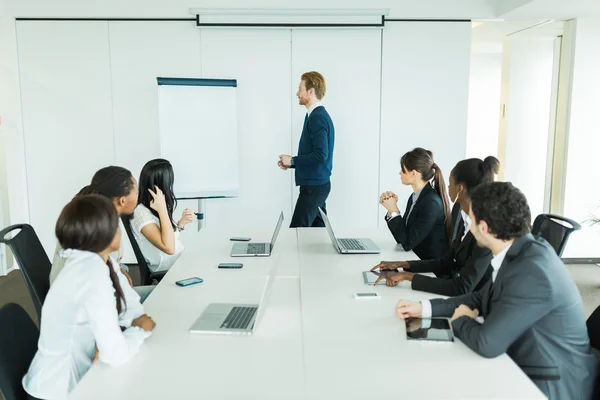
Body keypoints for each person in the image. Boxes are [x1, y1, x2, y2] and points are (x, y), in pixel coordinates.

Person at [394, 182, 598, 400]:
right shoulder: (521, 249)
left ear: (483, 228)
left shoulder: (532, 272)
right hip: (524, 363)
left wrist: (460, 319)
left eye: (471, 221)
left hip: (548, 385)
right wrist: (424, 308)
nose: (469, 228)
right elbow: (481, 298)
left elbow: (487, 343)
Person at [23, 195, 155, 400]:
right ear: (106, 234)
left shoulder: (97, 260)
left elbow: (129, 304)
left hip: (72, 380)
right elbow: (115, 354)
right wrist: (139, 330)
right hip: (56, 392)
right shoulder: (89, 273)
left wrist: (135, 322)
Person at [372, 157, 500, 296]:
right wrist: (402, 265)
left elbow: (462, 287)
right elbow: (446, 262)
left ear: (460, 188)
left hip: (476, 306)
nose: (447, 187)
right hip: (455, 290)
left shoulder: (486, 230)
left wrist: (407, 277)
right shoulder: (464, 216)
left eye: (450, 183)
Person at [49, 166, 155, 303]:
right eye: (136, 192)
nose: (138, 196)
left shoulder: (96, 215)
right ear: (122, 200)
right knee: (163, 296)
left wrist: (120, 271)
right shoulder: (96, 226)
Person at [278, 71, 335, 228]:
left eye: (300, 89)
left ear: (311, 91)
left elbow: (321, 155)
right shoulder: (314, 115)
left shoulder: (317, 117)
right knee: (318, 236)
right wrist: (292, 163)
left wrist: (294, 160)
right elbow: (317, 154)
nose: (297, 93)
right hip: (317, 184)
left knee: (296, 232)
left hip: (314, 187)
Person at [380, 148, 451, 260]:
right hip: (416, 260)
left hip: (430, 270)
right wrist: (391, 211)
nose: (400, 173)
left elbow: (408, 243)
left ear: (413, 173)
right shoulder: (415, 197)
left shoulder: (431, 202)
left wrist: (394, 210)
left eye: (403, 170)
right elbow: (402, 239)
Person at [131, 159, 194, 273]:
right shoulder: (141, 213)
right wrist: (163, 209)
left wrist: (180, 224)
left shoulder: (154, 207)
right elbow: (169, 248)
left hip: (178, 262)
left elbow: (166, 236)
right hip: (169, 270)